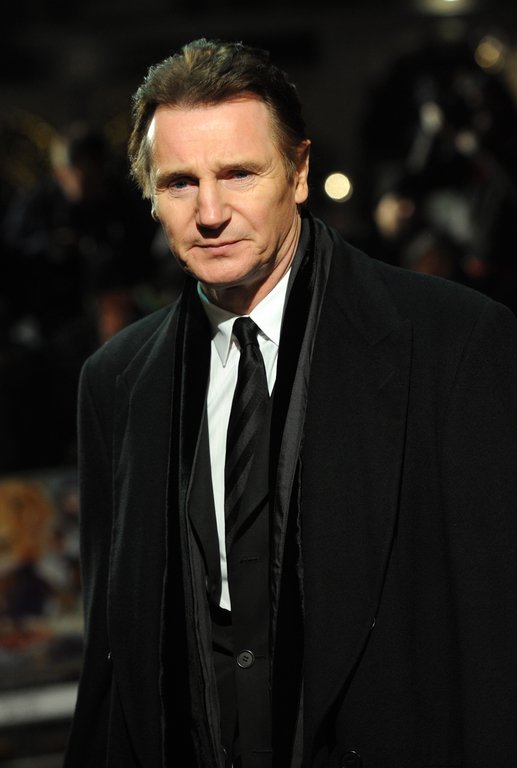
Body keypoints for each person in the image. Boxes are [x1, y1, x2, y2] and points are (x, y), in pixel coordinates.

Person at [63, 38, 517, 768]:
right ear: (149, 194)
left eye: (238, 173)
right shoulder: (114, 382)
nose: (210, 212)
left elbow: (496, 637)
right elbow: (112, 668)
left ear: (299, 173)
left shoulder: (452, 344)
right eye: (180, 183)